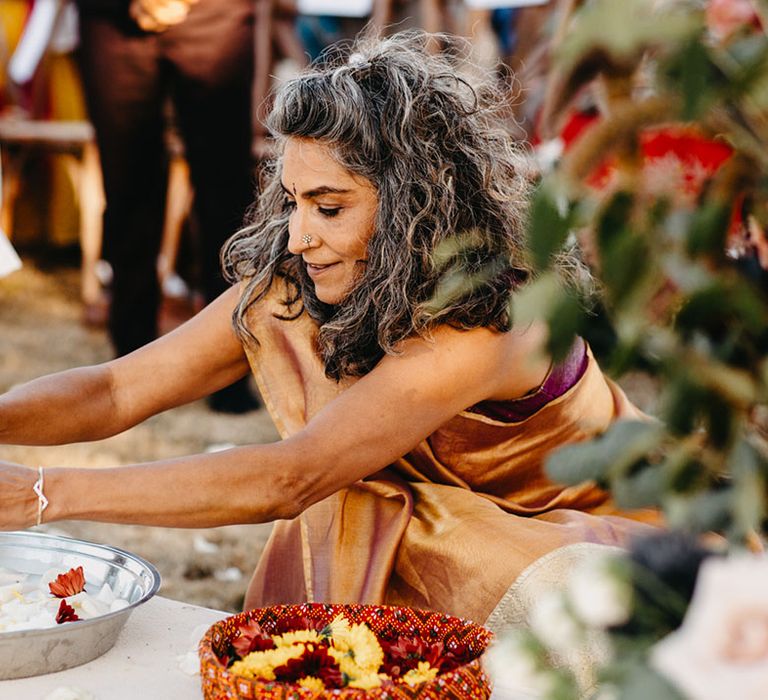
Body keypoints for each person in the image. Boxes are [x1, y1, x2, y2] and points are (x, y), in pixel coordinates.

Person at [0, 31, 656, 627]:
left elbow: (295, 477)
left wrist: (41, 494)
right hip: (458, 547)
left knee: (347, 502)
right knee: (365, 506)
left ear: (413, 204)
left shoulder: (491, 317)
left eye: (329, 206)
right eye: (292, 200)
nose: (300, 234)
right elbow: (114, 391)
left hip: (587, 562)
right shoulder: (304, 280)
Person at [73, 0, 259, 412]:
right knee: (126, 186)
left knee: (224, 191)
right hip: (112, 16)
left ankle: (228, 367)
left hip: (214, 16)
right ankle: (130, 365)